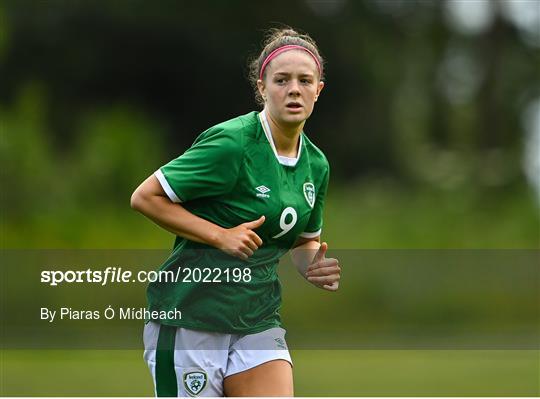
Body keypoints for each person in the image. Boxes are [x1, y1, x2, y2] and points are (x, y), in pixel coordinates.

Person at [131, 27, 341, 397]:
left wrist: (313, 267)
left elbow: (304, 245)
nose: (294, 89)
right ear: (262, 87)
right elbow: (145, 197)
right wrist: (220, 236)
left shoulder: (317, 165)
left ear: (318, 90)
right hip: (190, 316)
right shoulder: (232, 142)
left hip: (256, 317)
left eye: (305, 80)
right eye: (282, 80)